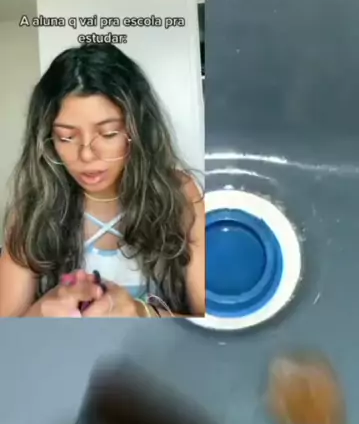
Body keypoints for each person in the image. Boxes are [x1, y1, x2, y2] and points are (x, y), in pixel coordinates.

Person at [0, 43, 205, 318]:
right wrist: (40, 314)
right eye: (66, 137)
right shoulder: (34, 209)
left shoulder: (180, 194)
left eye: (108, 134)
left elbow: (221, 330)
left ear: (137, 131)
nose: (86, 154)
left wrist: (141, 313)